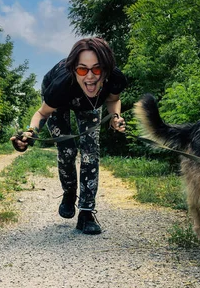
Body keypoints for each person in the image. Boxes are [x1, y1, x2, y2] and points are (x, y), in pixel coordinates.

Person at [11, 37, 127, 235]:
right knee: (67, 149)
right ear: (74, 69)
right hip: (61, 100)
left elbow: (113, 100)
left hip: (89, 104)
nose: (90, 77)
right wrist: (30, 134)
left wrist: (115, 118)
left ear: (106, 69)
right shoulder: (60, 85)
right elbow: (42, 113)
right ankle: (69, 192)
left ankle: (86, 213)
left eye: (97, 69)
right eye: (83, 69)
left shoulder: (115, 78)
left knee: (91, 151)